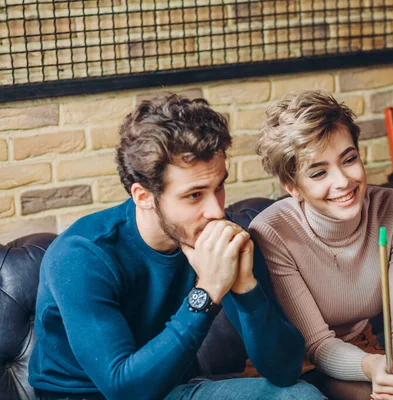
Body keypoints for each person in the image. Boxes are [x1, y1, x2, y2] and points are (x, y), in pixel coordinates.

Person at [28, 94, 325, 400]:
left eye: (219, 186)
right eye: (194, 195)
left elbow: (285, 371)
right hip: (87, 396)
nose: (216, 210)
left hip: (170, 391)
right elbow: (124, 389)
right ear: (143, 196)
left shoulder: (219, 238)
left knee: (300, 396)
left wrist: (246, 287)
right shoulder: (81, 255)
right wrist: (207, 290)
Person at [249, 90, 393, 400]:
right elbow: (317, 345)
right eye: (319, 172)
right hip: (298, 363)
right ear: (292, 187)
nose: (342, 181)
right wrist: (372, 368)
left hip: (364, 351)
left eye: (349, 159)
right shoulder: (271, 232)